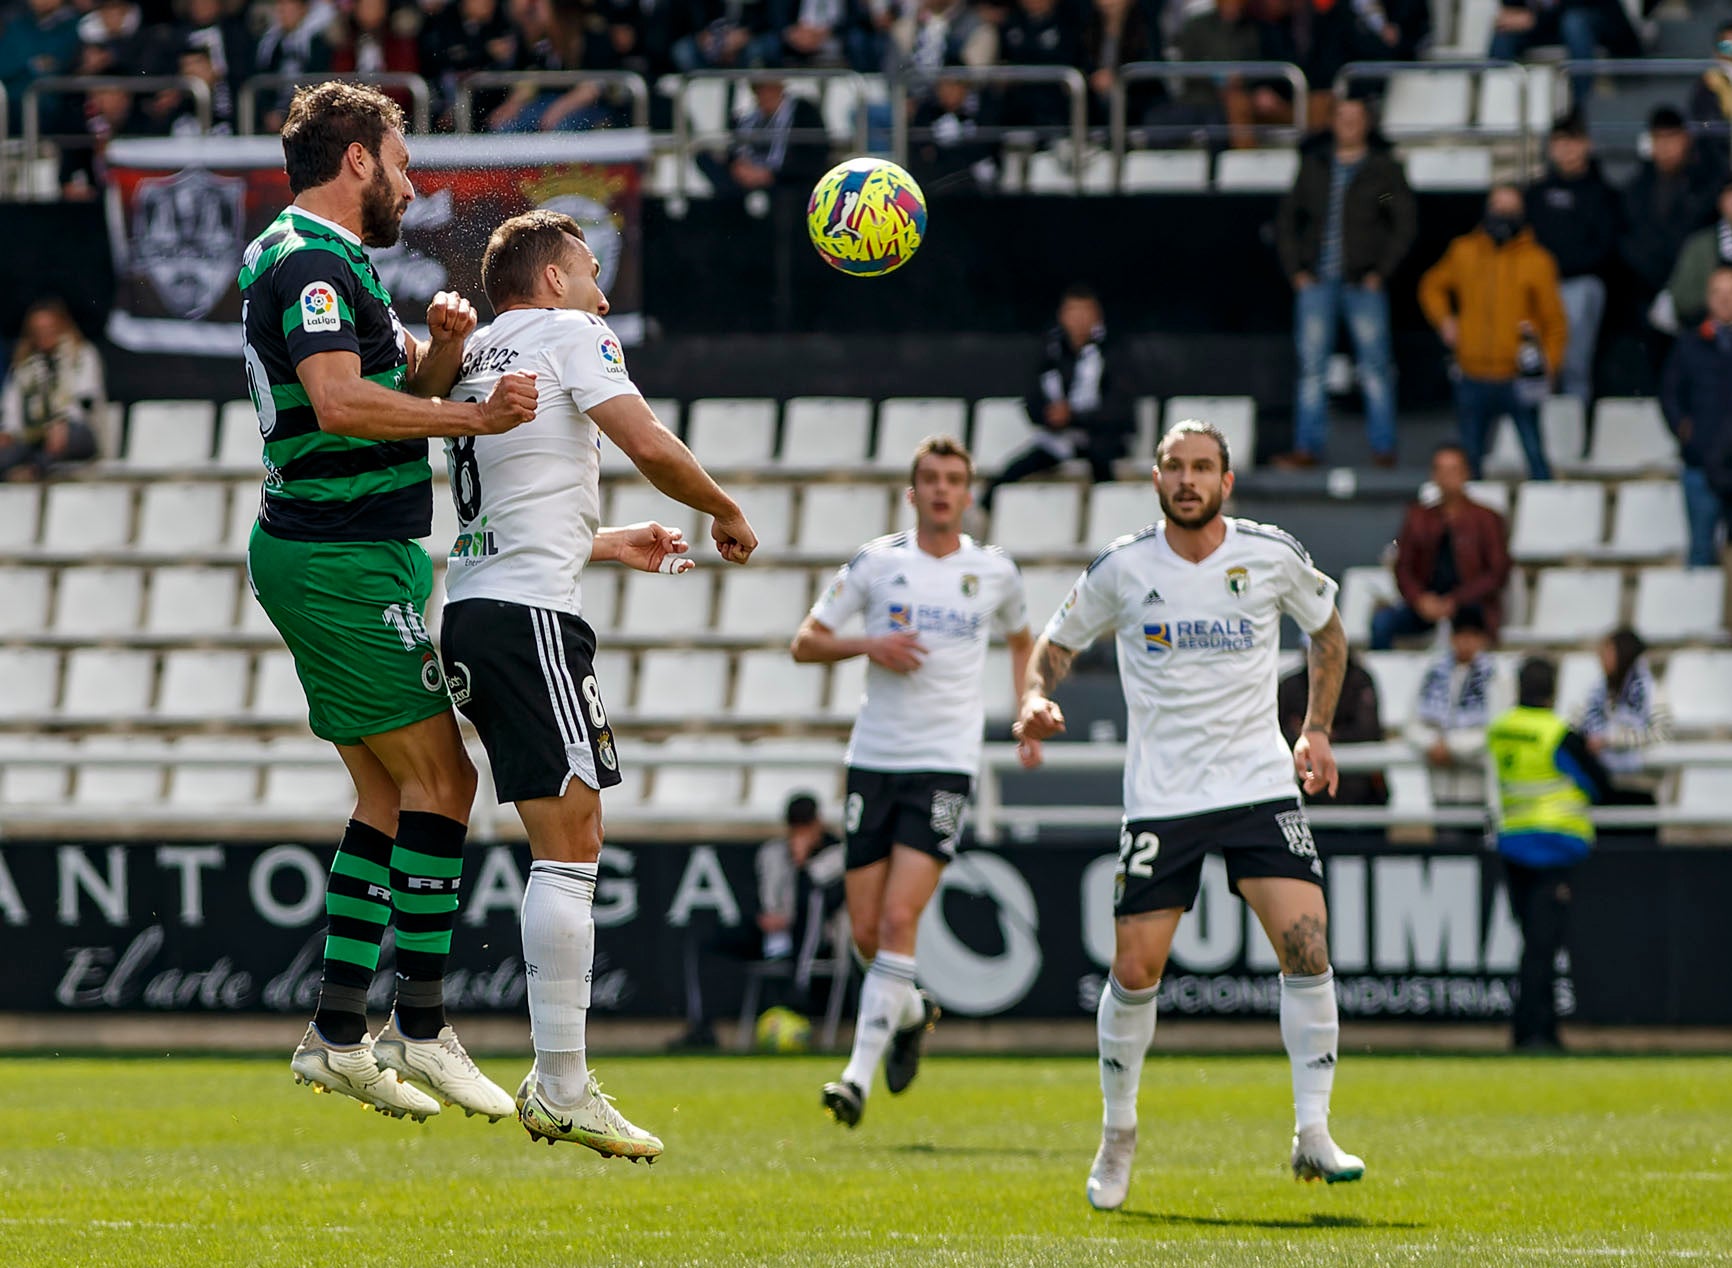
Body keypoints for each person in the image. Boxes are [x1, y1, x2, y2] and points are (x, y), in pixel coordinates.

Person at [241, 82, 538, 1122]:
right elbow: (338, 400)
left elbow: (385, 381)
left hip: (345, 548)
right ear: (357, 158)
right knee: (446, 776)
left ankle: (335, 1031)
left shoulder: (329, 259)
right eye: (403, 159)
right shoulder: (311, 257)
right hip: (340, 555)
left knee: (385, 794)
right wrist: (471, 414)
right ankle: (420, 1027)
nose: (414, 181)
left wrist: (444, 351)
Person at [440, 207, 759, 1157]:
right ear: (549, 283)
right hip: (530, 617)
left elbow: (517, 494)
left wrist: (611, 542)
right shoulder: (571, 332)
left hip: (479, 609)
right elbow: (649, 444)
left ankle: (558, 1075)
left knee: (566, 832)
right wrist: (727, 510)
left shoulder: (473, 355)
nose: (602, 292)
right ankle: (563, 1081)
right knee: (572, 837)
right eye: (588, 273)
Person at [1017, 420, 1364, 1209]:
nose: (1186, 479)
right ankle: (1118, 1133)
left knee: (1307, 949)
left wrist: (1314, 728)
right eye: (1174, 466)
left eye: (1201, 467)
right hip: (1163, 799)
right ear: (1156, 478)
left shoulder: (1271, 554)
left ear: (1226, 481)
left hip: (1258, 787)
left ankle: (1313, 1133)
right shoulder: (1124, 567)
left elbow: (1328, 633)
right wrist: (1037, 695)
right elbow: (1056, 640)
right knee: (1136, 972)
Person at [791, 435, 1034, 1129]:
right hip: (874, 758)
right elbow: (804, 642)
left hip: (944, 763)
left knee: (900, 920)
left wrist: (1024, 710)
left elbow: (1023, 638)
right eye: (929, 478)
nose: (941, 490)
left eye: (954, 480)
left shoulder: (995, 572)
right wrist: (869, 644)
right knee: (867, 931)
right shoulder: (877, 562)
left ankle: (854, 1078)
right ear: (912, 491)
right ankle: (909, 1009)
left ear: (967, 493)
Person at [1273, 94, 1416, 469]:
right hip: (1317, 281)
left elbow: (1397, 217)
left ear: (1367, 123)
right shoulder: (1314, 167)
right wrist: (1296, 271)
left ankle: (1383, 449)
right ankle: (1307, 448)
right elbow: (1289, 218)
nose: (1350, 124)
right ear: (1333, 122)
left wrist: (1380, 271)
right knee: (1311, 369)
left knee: (1375, 368)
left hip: (1361, 282)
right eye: (1343, 117)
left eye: (1357, 117)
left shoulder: (1381, 172)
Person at [1486, 656, 1616, 1050]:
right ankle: (1534, 1034)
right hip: (1555, 846)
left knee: (1531, 942)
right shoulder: (1558, 733)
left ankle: (1536, 1029)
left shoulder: (1501, 729)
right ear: (1553, 690)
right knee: (1542, 947)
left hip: (1512, 843)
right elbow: (1599, 783)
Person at [673, 793, 845, 1051]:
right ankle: (701, 1026)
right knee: (703, 939)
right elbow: (758, 897)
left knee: (811, 905)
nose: (799, 833)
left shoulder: (837, 853)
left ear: (817, 824)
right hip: (772, 934)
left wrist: (802, 863)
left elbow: (816, 898)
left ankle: (796, 994)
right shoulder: (771, 853)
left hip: (816, 940)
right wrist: (762, 918)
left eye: (805, 825)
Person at [1419, 182, 1568, 480]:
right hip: (1472, 373)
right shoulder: (1464, 250)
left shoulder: (1537, 261)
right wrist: (1445, 320)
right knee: (1469, 459)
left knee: (1535, 454)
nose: (1503, 215)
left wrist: (1547, 365)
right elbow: (1432, 286)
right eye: (1498, 208)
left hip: (1517, 376)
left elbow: (1555, 322)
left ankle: (1549, 514)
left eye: (1511, 209)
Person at [983, 285, 1129, 508]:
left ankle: (1112, 520)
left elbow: (1120, 409)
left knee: (1103, 468)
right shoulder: (1049, 354)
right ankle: (982, 511)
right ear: (1062, 316)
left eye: (1085, 312)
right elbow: (1032, 401)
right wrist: (1050, 416)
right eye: (1073, 312)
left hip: (1101, 440)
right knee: (1010, 473)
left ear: (1097, 317)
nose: (1079, 319)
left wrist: (1075, 416)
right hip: (1059, 440)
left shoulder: (1113, 354)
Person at [1372, 444, 1512, 648]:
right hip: (1425, 605)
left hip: (1470, 604)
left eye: (1453, 470)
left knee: (1470, 630)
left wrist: (1456, 600)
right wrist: (1420, 599)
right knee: (1382, 622)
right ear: (1433, 475)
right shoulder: (1417, 517)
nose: (1447, 477)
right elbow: (1403, 567)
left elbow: (1497, 573)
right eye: (1441, 470)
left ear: (1466, 473)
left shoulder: (1487, 519)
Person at [1526, 113, 1618, 409]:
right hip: (1539, 288)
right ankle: (1541, 433)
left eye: (1572, 142)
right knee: (1535, 363)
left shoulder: (1600, 192)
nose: (1565, 150)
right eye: (1559, 142)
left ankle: (1573, 434)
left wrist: (1562, 265)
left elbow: (1604, 244)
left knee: (1574, 364)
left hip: (1579, 284)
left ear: (1586, 145)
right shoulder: (1537, 193)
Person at [1620, 108, 1720, 335]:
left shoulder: (1706, 185)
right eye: (1659, 139)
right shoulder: (1636, 188)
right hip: (1646, 287)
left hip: (1697, 293)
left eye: (1671, 138)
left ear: (1686, 139)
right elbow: (1629, 240)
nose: (1665, 148)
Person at [1659, 264, 1732, 567]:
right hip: (1699, 464)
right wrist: (1683, 429)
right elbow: (1669, 394)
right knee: (1701, 552)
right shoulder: (1689, 344)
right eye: (1718, 293)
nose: (1725, 300)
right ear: (1707, 297)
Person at [1404, 604, 1506, 805]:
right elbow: (1412, 723)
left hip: (1478, 787)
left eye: (1472, 636)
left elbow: (1497, 727)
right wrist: (1431, 743)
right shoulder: (1433, 673)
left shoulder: (1496, 677)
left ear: (1482, 639)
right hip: (1439, 786)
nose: (1465, 642)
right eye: (1460, 635)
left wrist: (1452, 746)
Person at [0, 297, 104, 481]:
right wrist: (8, 432)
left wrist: (62, 424)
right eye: (38, 330)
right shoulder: (24, 364)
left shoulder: (81, 355)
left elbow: (87, 400)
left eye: (49, 328)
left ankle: (33, 471)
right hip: (32, 436)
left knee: (63, 440)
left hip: (76, 431)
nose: (44, 334)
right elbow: (12, 407)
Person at [1278, 648, 1386, 806]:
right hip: (1309, 786)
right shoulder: (1291, 685)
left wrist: (1317, 735)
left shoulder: (1359, 679)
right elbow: (1280, 734)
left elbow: (1368, 731)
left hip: (1359, 787)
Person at [1577, 627, 1671, 800]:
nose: (1601, 657)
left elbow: (1660, 734)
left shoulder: (1653, 691)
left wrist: (1610, 740)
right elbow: (1580, 722)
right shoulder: (1598, 691)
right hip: (1602, 785)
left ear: (1623, 653)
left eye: (1607, 651)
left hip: (1639, 787)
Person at [695, 79, 830, 199]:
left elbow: (814, 156)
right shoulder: (746, 118)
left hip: (787, 179)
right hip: (747, 176)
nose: (764, 95)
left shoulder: (803, 112)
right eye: (759, 90)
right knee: (706, 160)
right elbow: (735, 151)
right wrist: (740, 167)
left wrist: (769, 174)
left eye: (769, 89)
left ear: (780, 88)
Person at [1664, 181, 1732, 332]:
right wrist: (1718, 300)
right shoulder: (1700, 245)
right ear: (1721, 201)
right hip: (1703, 331)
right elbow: (1681, 297)